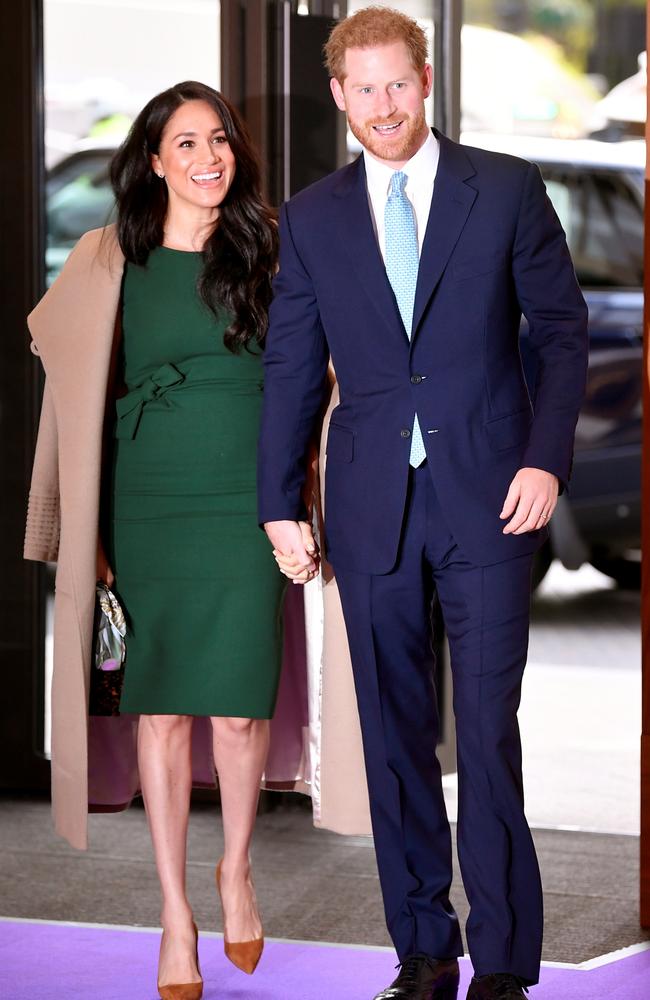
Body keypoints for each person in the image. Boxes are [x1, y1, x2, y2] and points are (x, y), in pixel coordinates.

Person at [258, 8, 588, 1000]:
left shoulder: (504, 188)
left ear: (425, 79)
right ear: (337, 96)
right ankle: (421, 948)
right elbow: (288, 367)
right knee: (391, 736)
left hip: (493, 500)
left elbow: (562, 335)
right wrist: (278, 501)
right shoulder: (311, 217)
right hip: (369, 509)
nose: (382, 106)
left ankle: (500, 962)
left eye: (396, 84)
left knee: (484, 730)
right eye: (362, 89)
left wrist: (545, 461)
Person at [25, 81, 286, 1000]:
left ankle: (236, 869)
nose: (208, 158)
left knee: (242, 709)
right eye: (186, 143)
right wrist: (85, 530)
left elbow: (316, 378)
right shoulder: (107, 258)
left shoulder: (270, 248)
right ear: (153, 160)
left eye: (219, 140)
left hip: (246, 503)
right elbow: (69, 389)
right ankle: (175, 913)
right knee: (163, 710)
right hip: (148, 503)